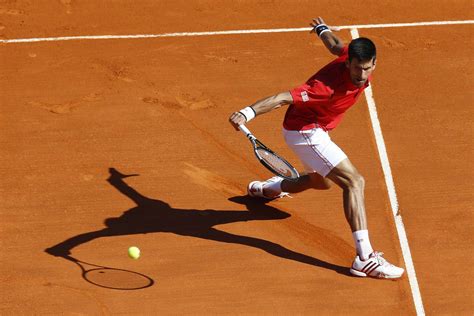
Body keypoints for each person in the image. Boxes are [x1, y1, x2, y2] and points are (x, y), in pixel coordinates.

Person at [229, 17, 404, 279]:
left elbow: (336, 44)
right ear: (348, 65)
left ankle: (267, 189)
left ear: (374, 63)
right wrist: (247, 112)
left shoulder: (351, 54)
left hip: (317, 129)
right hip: (305, 131)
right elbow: (282, 98)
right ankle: (365, 258)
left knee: (320, 182)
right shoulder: (324, 87)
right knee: (354, 181)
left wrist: (322, 30)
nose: (362, 75)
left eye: (367, 68)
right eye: (357, 69)